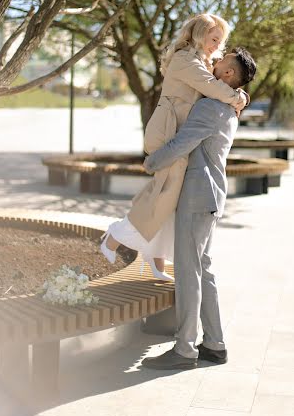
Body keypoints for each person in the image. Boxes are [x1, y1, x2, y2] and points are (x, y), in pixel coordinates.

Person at [100, 14, 249, 280]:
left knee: (170, 199)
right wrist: (238, 98)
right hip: (166, 133)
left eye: (220, 42)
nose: (217, 46)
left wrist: (240, 95)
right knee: (163, 195)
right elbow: (212, 87)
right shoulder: (185, 60)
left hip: (177, 134)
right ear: (200, 34)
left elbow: (224, 80)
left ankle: (155, 258)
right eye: (214, 39)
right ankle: (115, 236)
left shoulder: (203, 61)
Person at [141, 48, 257, 370]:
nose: (215, 62)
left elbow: (183, 144)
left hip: (197, 197)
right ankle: (215, 344)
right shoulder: (229, 108)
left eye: (221, 61)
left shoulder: (210, 106)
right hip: (210, 196)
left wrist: (152, 161)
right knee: (202, 268)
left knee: (189, 271)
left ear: (229, 75)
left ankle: (185, 350)